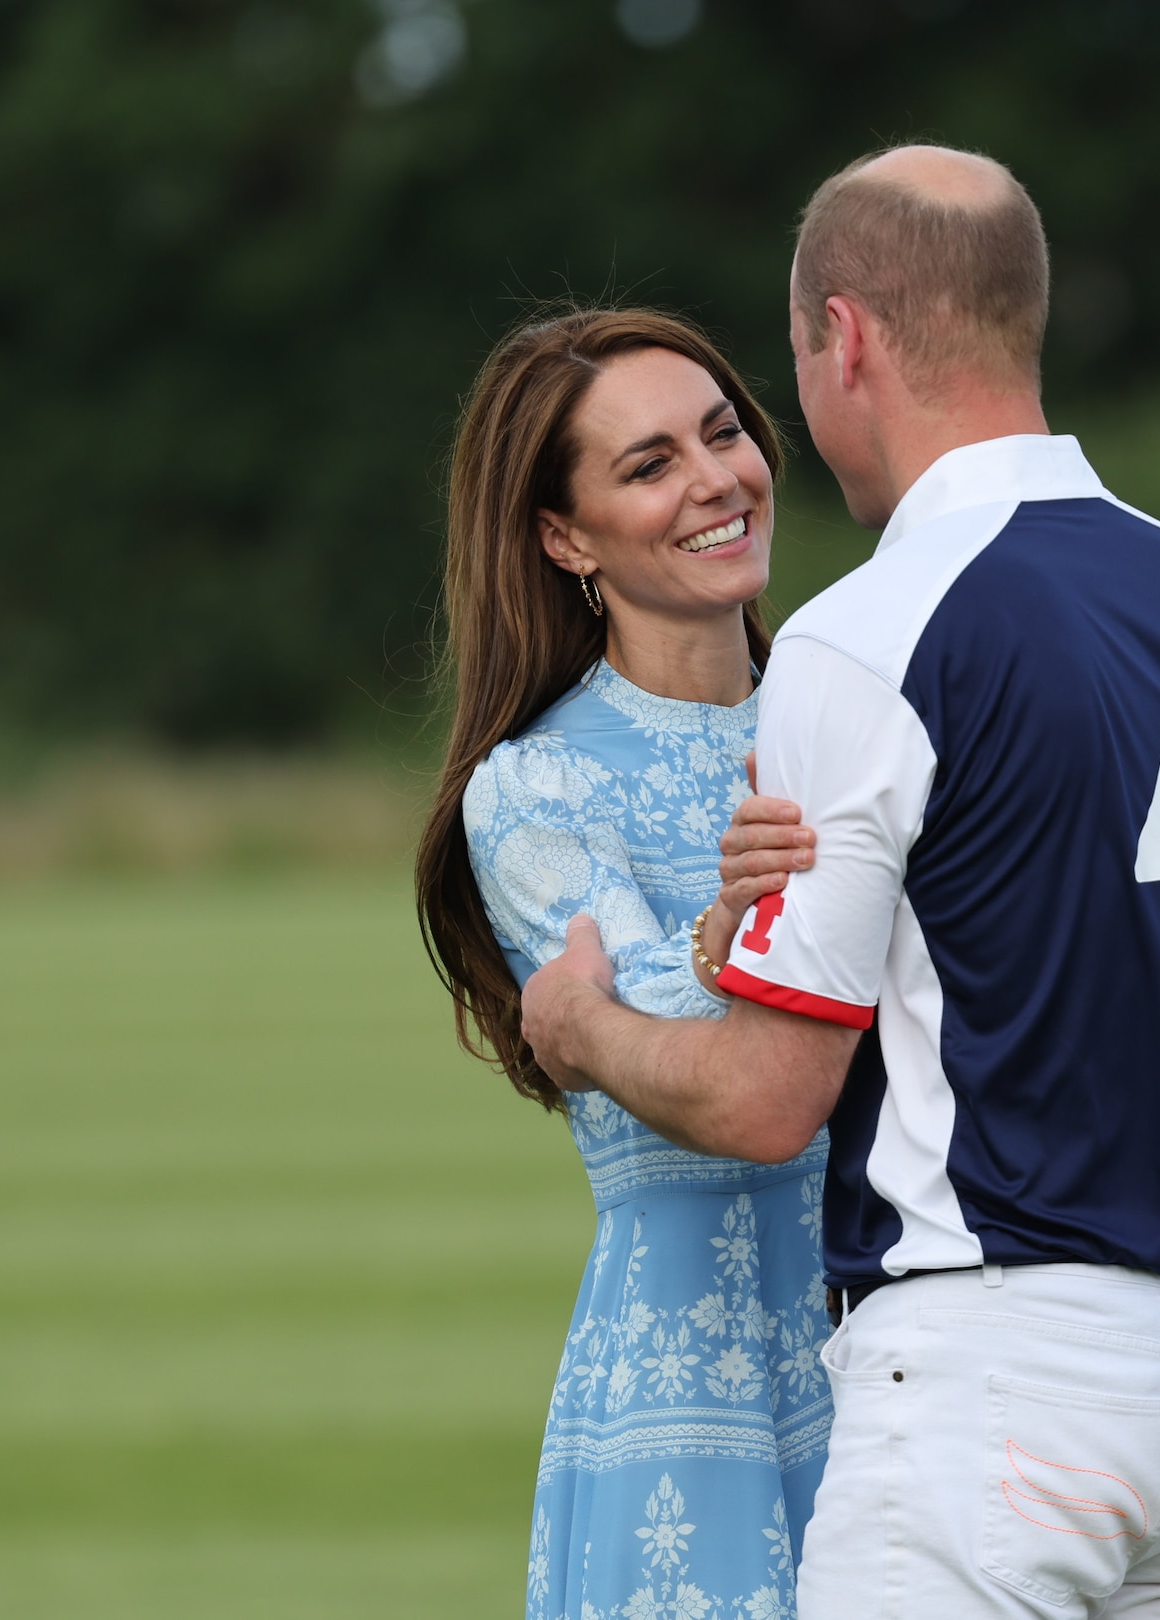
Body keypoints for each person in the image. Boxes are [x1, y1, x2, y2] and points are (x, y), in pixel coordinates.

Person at [521, 145, 1160, 1620]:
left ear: (845, 339)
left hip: (995, 1379)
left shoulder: (869, 630)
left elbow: (767, 1099)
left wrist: (581, 1026)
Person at [414, 308, 834, 1620]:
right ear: (565, 538)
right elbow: (610, 1019)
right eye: (650, 464)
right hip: (680, 1384)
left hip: (907, 1348)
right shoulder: (535, 786)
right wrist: (724, 931)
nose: (714, 479)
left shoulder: (859, 712)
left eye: (723, 434)